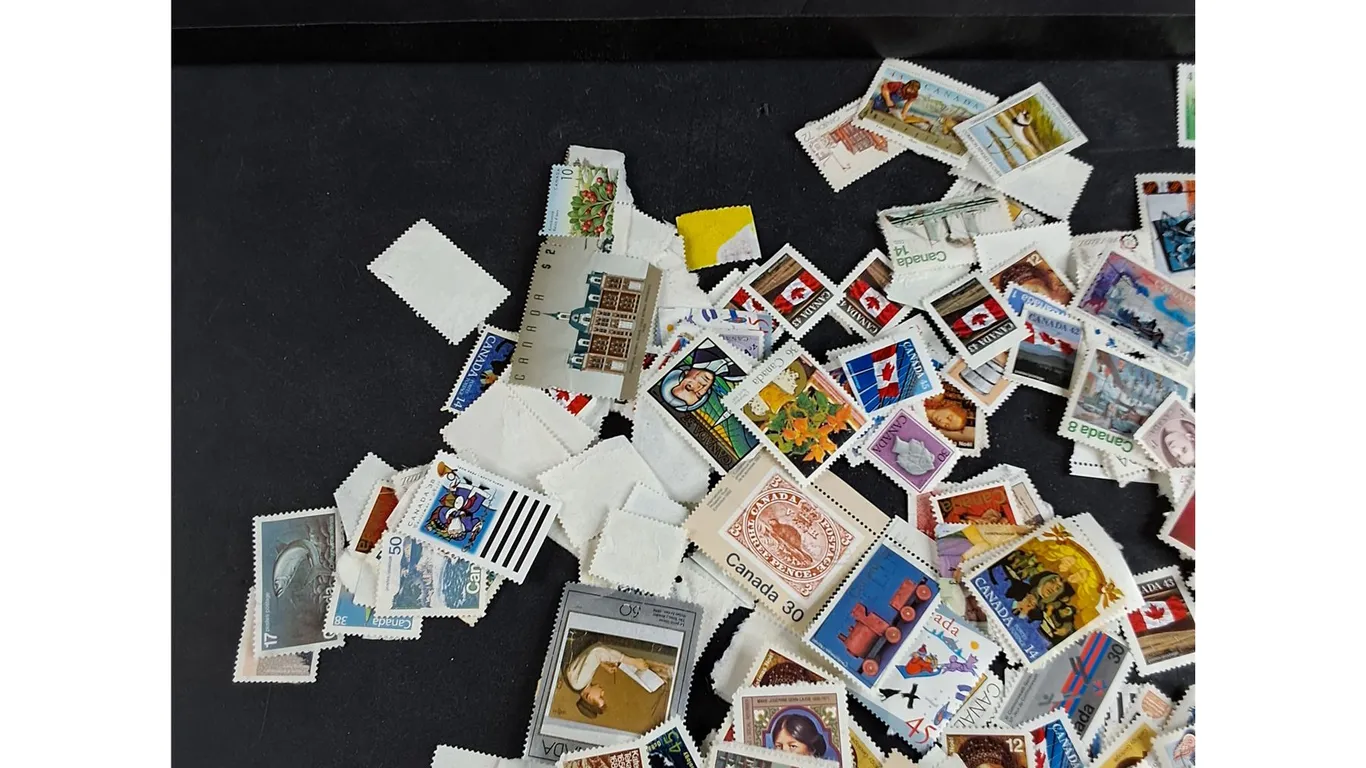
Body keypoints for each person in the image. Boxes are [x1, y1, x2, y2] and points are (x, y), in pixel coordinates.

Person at [562, 642, 672, 719]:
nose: (603, 692)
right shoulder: (579, 684)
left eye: (600, 697)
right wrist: (603, 664)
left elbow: (596, 652)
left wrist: (632, 662)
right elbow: (585, 659)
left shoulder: (579, 683)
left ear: (589, 698)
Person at [656, 343, 747, 412]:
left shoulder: (705, 345)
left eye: (689, 386)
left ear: (684, 373)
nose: (700, 387)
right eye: (699, 395)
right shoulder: (737, 376)